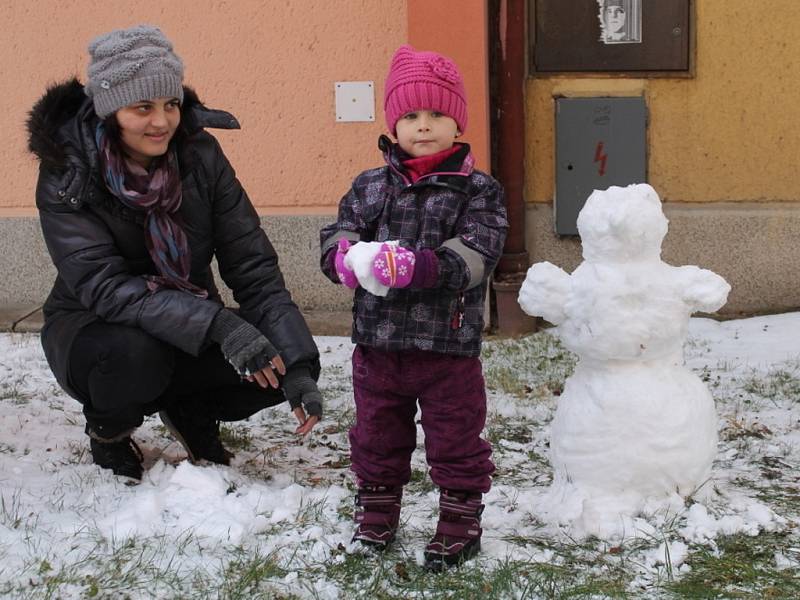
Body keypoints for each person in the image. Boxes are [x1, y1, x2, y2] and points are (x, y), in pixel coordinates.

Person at [27, 25, 323, 482]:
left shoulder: (201, 155)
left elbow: (252, 265)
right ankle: (108, 431)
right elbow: (104, 289)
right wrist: (219, 325)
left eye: (170, 104)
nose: (162, 122)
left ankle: (190, 412)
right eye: (142, 107)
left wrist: (299, 366)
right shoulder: (69, 174)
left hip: (189, 321)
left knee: (282, 351)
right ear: (110, 112)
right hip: (96, 331)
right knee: (136, 353)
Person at [319, 45, 508, 570]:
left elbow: (477, 254)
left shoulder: (478, 190)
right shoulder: (370, 186)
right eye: (410, 115)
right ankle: (377, 513)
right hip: (377, 346)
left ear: (458, 122)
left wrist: (415, 268)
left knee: (455, 435)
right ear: (393, 124)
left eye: (436, 114)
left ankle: (459, 518)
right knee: (377, 432)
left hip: (446, 348)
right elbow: (342, 231)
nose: (422, 126)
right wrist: (343, 257)